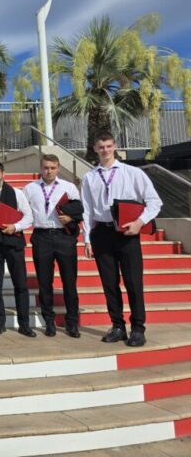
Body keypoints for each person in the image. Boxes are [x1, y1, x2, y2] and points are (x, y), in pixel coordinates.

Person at [82, 132, 162, 347]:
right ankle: (118, 326)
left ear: (115, 146)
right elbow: (87, 211)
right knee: (109, 283)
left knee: (133, 282)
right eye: (101, 147)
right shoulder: (89, 177)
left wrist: (139, 222)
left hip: (127, 233)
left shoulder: (132, 173)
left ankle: (138, 328)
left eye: (108, 146)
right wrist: (87, 239)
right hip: (102, 234)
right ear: (95, 149)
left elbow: (155, 202)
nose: (105, 150)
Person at [24, 154, 82, 338]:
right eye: (46, 167)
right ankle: (49, 322)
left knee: (69, 282)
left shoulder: (69, 187)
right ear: (41, 168)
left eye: (52, 168)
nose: (49, 171)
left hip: (64, 237)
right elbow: (22, 211)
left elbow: (79, 210)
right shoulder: (29, 188)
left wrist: (71, 218)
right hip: (41, 237)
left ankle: (72, 323)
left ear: (58, 168)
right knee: (44, 283)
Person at [0, 161, 35, 337]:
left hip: (13, 242)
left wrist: (15, 227)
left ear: (3, 174)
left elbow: (29, 216)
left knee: (20, 285)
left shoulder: (17, 193)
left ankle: (24, 324)